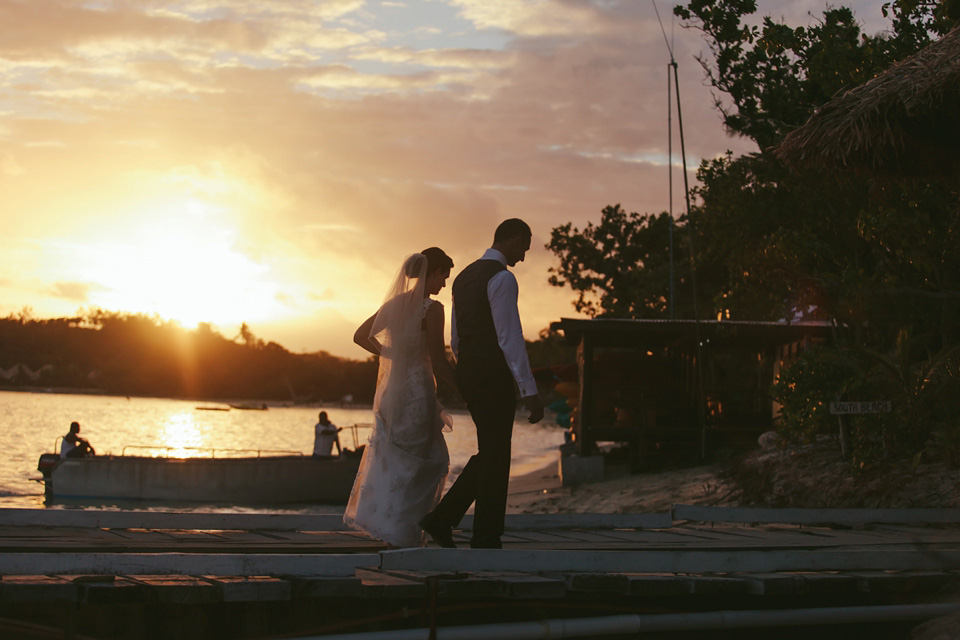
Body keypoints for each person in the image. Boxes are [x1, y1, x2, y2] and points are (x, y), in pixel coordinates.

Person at [419, 219, 543, 549]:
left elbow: (456, 339)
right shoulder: (502, 278)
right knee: (496, 452)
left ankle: (449, 521)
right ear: (516, 240)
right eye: (524, 248)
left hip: (470, 371)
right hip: (492, 373)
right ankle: (481, 534)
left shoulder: (463, 277)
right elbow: (510, 337)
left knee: (491, 450)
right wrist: (529, 389)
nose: (524, 256)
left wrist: (466, 372)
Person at [343, 247, 458, 547]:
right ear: (430, 273)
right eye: (442, 277)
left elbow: (360, 335)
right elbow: (438, 356)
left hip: (393, 390)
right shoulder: (433, 309)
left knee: (392, 458)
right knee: (427, 462)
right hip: (417, 392)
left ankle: (384, 525)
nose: (443, 284)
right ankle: (405, 532)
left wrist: (392, 354)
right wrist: (461, 387)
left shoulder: (395, 304)